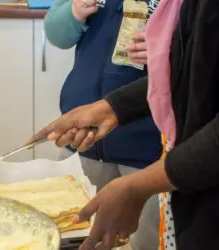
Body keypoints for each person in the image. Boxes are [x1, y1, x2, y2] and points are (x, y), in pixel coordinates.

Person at [30, 0, 219, 249]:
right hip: (177, 170)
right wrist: (111, 108)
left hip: (165, 160)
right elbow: (193, 63)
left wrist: (139, 186)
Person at [44, 0, 161, 249]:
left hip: (148, 151)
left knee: (147, 237)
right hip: (83, 139)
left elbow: (199, 46)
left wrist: (169, 53)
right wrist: (73, 12)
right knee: (76, 229)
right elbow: (56, 32)